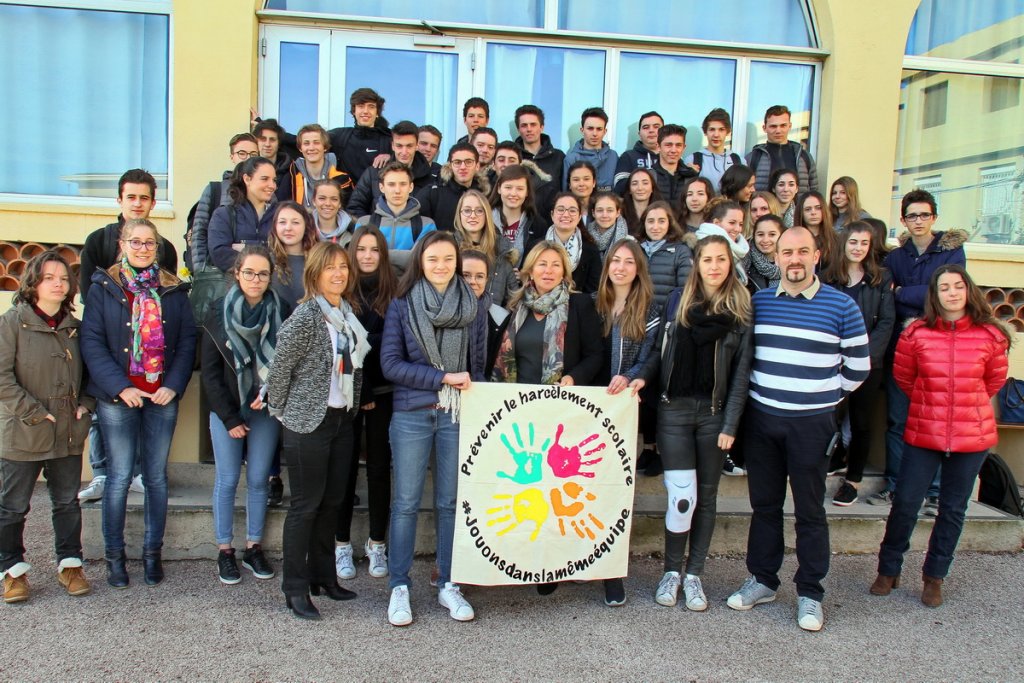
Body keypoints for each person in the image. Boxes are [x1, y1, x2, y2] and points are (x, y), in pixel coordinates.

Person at [726, 226, 868, 632]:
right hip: (764, 421)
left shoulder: (842, 306)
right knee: (765, 507)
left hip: (812, 424)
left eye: (803, 251)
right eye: (787, 252)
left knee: (809, 511)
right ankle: (763, 581)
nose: (795, 259)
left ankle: (810, 592)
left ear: (817, 255)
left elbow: (858, 369)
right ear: (778, 258)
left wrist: (819, 394)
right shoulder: (760, 302)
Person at [872, 265, 1010, 608]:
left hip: (970, 435)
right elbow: (906, 378)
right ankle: (889, 568)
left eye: (957, 286)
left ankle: (935, 576)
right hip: (925, 429)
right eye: (944, 287)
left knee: (952, 509)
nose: (951, 293)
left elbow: (992, 381)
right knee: (905, 502)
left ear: (968, 290)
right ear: (934, 295)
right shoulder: (916, 333)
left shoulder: (990, 336)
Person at [491, 241, 611, 602]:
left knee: (554, 490)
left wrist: (573, 377)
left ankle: (551, 563)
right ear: (529, 270)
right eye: (541, 264)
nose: (548, 271)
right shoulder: (514, 307)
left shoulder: (579, 306)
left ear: (565, 272)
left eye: (555, 266)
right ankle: (518, 559)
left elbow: (595, 354)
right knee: (522, 490)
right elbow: (497, 357)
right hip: (517, 414)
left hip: (559, 415)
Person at [638, 235, 753, 612]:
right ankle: (671, 571)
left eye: (722, 259)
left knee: (707, 495)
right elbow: (658, 351)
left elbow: (740, 375)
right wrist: (642, 377)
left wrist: (731, 424)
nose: (715, 266)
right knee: (682, 495)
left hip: (715, 414)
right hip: (673, 411)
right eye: (708, 260)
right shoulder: (677, 303)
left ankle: (695, 575)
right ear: (697, 264)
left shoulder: (741, 310)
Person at [380, 232, 488, 626]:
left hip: (456, 416)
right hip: (412, 414)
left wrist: (465, 389)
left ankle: (448, 582)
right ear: (420, 263)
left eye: (447, 259)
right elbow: (390, 365)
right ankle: (399, 586)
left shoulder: (472, 305)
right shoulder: (402, 305)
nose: (440, 266)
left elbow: (477, 365)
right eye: (432, 259)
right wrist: (442, 377)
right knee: (406, 503)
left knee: (450, 502)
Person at [81, 219, 196, 589]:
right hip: (119, 398)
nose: (143, 248)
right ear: (122, 243)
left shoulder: (174, 290)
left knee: (156, 478)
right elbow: (92, 343)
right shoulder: (104, 286)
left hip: (161, 396)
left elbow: (187, 342)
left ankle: (152, 554)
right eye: (136, 241)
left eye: (150, 243)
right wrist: (119, 388)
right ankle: (115, 558)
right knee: (117, 478)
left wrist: (174, 385)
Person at [266, 241, 369, 620]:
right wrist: (282, 412)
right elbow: (280, 373)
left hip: (341, 420)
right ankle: (294, 588)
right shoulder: (305, 317)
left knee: (332, 503)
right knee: (305, 507)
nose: (338, 273)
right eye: (330, 268)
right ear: (314, 274)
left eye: (343, 266)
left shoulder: (348, 314)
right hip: (307, 422)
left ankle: (323, 577)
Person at [0, 252, 94, 603]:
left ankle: (70, 565)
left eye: (64, 278)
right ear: (33, 283)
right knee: (12, 506)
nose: (58, 283)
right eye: (49, 277)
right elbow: (2, 378)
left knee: (67, 503)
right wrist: (35, 412)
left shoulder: (75, 328)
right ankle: (12, 571)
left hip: (67, 431)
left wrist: (87, 405)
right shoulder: (12, 324)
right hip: (23, 431)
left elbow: (91, 375)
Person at [77, 169, 174, 503]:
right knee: (101, 409)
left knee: (143, 411)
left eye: (143, 197)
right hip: (108, 344)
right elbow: (89, 297)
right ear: (119, 200)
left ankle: (137, 473)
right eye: (130, 197)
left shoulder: (166, 248)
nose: (137, 203)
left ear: (153, 202)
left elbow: (169, 295)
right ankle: (102, 472)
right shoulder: (97, 241)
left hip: (149, 352)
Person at [870, 189, 967, 510]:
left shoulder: (951, 252)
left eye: (924, 214)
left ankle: (935, 491)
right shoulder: (896, 258)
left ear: (934, 218)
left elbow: (949, 294)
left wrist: (904, 292)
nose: (918, 221)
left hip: (941, 349)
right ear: (903, 220)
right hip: (904, 349)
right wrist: (920, 292)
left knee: (937, 419)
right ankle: (897, 485)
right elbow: (889, 296)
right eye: (912, 215)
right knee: (899, 420)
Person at [202, 245, 289, 585]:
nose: (256, 280)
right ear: (237, 273)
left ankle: (253, 547)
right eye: (249, 272)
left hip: (265, 409)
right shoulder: (215, 312)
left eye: (263, 274)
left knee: (258, 480)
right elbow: (209, 373)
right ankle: (225, 550)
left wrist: (270, 395)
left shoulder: (280, 309)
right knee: (226, 480)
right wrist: (229, 419)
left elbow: (285, 364)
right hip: (228, 412)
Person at [334, 226, 398, 582]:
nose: (368, 255)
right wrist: (363, 389)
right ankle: (342, 544)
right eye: (362, 249)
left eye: (375, 249)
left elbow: (390, 344)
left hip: (385, 392)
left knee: (378, 468)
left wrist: (368, 341)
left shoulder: (395, 290)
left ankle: (377, 543)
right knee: (343, 468)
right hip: (348, 393)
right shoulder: (342, 290)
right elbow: (343, 347)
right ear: (353, 253)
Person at [821, 222, 894, 505]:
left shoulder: (881, 279)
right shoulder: (829, 278)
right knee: (827, 417)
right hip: (831, 360)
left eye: (864, 243)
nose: (858, 248)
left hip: (868, 363)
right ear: (844, 243)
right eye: (853, 242)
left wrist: (861, 358)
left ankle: (853, 481)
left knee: (862, 422)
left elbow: (886, 322)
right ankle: (831, 458)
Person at [636, 200, 695, 477]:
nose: (655, 226)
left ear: (670, 223)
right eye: (650, 221)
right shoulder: (636, 250)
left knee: (661, 391)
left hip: (668, 330)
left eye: (661, 221)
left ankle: (660, 451)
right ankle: (647, 448)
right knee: (644, 392)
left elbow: (685, 290)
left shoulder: (680, 251)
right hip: (639, 325)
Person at [281, 88, 392, 186]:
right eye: (361, 106)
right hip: (346, 202)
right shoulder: (341, 136)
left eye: (371, 107)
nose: (365, 111)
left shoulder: (389, 139)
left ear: (377, 112)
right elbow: (303, 142)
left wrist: (392, 157)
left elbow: (406, 156)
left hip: (377, 205)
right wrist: (268, 130)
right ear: (354, 111)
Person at [187, 134, 258, 272]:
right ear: (232, 157)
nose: (248, 158)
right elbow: (199, 233)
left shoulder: (267, 193)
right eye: (242, 153)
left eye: (253, 154)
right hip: (218, 275)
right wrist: (200, 270)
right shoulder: (215, 190)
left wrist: (245, 247)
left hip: (256, 274)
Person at [346, 121, 435, 218]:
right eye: (399, 146)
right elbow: (354, 208)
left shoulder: (429, 179)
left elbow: (434, 216)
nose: (404, 152)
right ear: (392, 146)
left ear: (417, 146)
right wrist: (372, 230)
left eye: (409, 146)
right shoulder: (373, 173)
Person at [208, 156, 278, 272]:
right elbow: (220, 254)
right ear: (247, 179)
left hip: (274, 286)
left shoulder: (280, 216)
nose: (272, 185)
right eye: (265, 179)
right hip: (235, 286)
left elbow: (286, 253)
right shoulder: (224, 215)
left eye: (274, 180)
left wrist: (245, 247)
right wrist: (266, 249)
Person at [453, 190, 519, 306]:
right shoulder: (449, 249)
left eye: (479, 211)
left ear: (487, 214)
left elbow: (513, 301)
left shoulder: (502, 251)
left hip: (491, 322)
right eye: (467, 211)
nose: (473, 215)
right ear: (459, 214)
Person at [355, 161, 437, 253]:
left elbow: (420, 260)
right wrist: (408, 255)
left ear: (411, 187)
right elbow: (361, 259)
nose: (397, 190)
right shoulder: (364, 223)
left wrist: (379, 254)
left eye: (403, 184)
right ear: (381, 187)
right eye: (391, 184)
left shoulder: (427, 225)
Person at [531, 192, 601, 294]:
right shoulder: (535, 246)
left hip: (577, 307)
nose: (566, 214)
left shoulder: (590, 250)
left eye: (572, 210)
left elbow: (593, 290)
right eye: (560, 210)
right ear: (552, 215)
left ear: (579, 217)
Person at [416, 143, 490, 232]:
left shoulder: (484, 194)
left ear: (477, 166)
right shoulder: (432, 193)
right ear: (450, 166)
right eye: (457, 162)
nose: (463, 167)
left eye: (468, 162)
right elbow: (417, 231)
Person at [746, 105, 818, 193]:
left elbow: (814, 191)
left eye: (783, 125)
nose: (778, 131)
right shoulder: (753, 157)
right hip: (765, 206)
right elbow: (745, 192)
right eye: (773, 126)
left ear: (790, 126)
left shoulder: (804, 156)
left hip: (797, 207)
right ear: (764, 128)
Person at [462, 249, 511, 378]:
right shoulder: (443, 313)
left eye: (479, 276)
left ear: (486, 280)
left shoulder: (500, 317)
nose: (472, 281)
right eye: (466, 275)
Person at [279, 124, 352, 209]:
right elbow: (282, 209)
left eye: (316, 142)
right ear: (300, 148)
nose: (311, 148)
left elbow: (349, 213)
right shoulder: (291, 177)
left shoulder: (342, 179)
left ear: (324, 147)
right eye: (306, 143)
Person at [489, 164, 545, 264]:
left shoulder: (537, 224)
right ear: (499, 189)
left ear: (527, 192)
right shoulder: (485, 220)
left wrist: (525, 273)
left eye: (520, 189)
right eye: (508, 187)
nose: (513, 193)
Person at [268, 200, 317, 311]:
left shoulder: (318, 261)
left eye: (295, 222)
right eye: (282, 222)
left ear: (306, 226)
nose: (288, 228)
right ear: (275, 226)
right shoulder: (266, 261)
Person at [683, 108, 743, 192]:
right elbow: (687, 193)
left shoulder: (738, 160)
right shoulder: (692, 159)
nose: (716, 135)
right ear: (705, 132)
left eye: (721, 130)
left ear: (728, 132)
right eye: (712, 129)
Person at [563, 107, 618, 191]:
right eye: (590, 128)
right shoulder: (572, 158)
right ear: (582, 130)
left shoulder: (613, 156)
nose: (594, 133)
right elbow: (566, 192)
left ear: (605, 131)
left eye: (599, 129)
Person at [696, 200, 751, 285]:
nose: (737, 229)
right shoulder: (695, 248)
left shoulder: (739, 251)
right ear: (716, 223)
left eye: (740, 224)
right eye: (732, 223)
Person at [514, 104, 565, 190]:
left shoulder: (558, 157)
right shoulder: (513, 157)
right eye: (524, 125)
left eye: (533, 125)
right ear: (518, 130)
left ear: (542, 127)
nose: (529, 129)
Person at [613, 110, 662, 194]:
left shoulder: (672, 156)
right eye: (646, 127)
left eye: (656, 126)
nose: (651, 130)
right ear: (639, 134)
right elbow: (619, 187)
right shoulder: (628, 156)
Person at [650, 124, 697, 202]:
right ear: (658, 147)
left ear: (684, 148)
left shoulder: (691, 178)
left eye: (678, 145)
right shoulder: (649, 177)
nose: (673, 150)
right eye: (668, 145)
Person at [793, 190, 837, 270]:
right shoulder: (792, 238)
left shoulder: (835, 239)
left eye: (818, 208)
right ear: (801, 213)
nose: (813, 213)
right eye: (808, 209)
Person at [745, 214, 783, 293]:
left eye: (772, 234)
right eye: (760, 234)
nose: (765, 240)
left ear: (781, 236)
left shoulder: (790, 264)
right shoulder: (745, 264)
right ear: (754, 236)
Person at [587, 191, 629, 261]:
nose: (604, 215)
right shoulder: (584, 240)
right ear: (593, 213)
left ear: (618, 213)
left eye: (610, 210)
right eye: (600, 210)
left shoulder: (629, 242)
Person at [621, 168, 663, 238]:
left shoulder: (663, 212)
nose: (640, 188)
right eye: (635, 184)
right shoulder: (620, 214)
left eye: (645, 183)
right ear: (629, 190)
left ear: (652, 188)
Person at [253, 118, 293, 190]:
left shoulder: (291, 171)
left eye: (272, 140)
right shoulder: (248, 169)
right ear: (256, 142)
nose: (267, 144)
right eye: (263, 139)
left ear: (278, 143)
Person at [312, 178, 355, 243]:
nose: (328, 203)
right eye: (322, 198)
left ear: (340, 203)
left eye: (334, 199)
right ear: (314, 201)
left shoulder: (354, 232)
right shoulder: (304, 231)